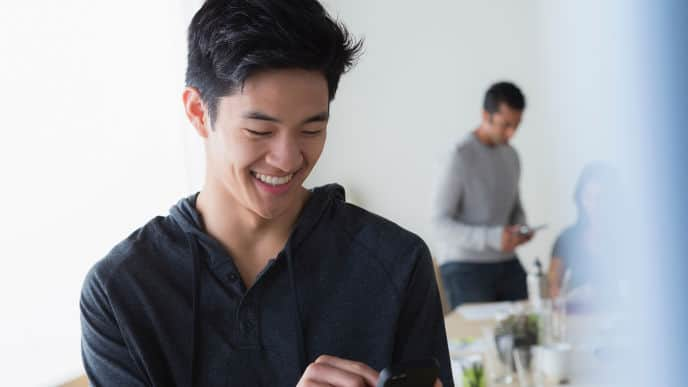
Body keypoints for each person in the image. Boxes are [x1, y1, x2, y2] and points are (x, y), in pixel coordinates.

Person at [79, 1, 452, 386]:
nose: (288, 159)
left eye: (311, 130)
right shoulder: (122, 292)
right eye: (259, 131)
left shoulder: (396, 263)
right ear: (197, 112)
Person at [432, 81, 535, 310]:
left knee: (529, 327)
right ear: (485, 115)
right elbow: (439, 224)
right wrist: (494, 238)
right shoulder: (458, 156)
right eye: (505, 125)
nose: (511, 134)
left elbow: (515, 207)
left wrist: (521, 228)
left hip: (506, 262)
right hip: (464, 264)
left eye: (516, 125)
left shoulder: (512, 156)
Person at [548, 162, 617, 299]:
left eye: (602, 198)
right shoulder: (566, 239)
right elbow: (554, 287)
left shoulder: (629, 238)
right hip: (577, 314)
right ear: (580, 199)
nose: (595, 205)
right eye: (588, 197)